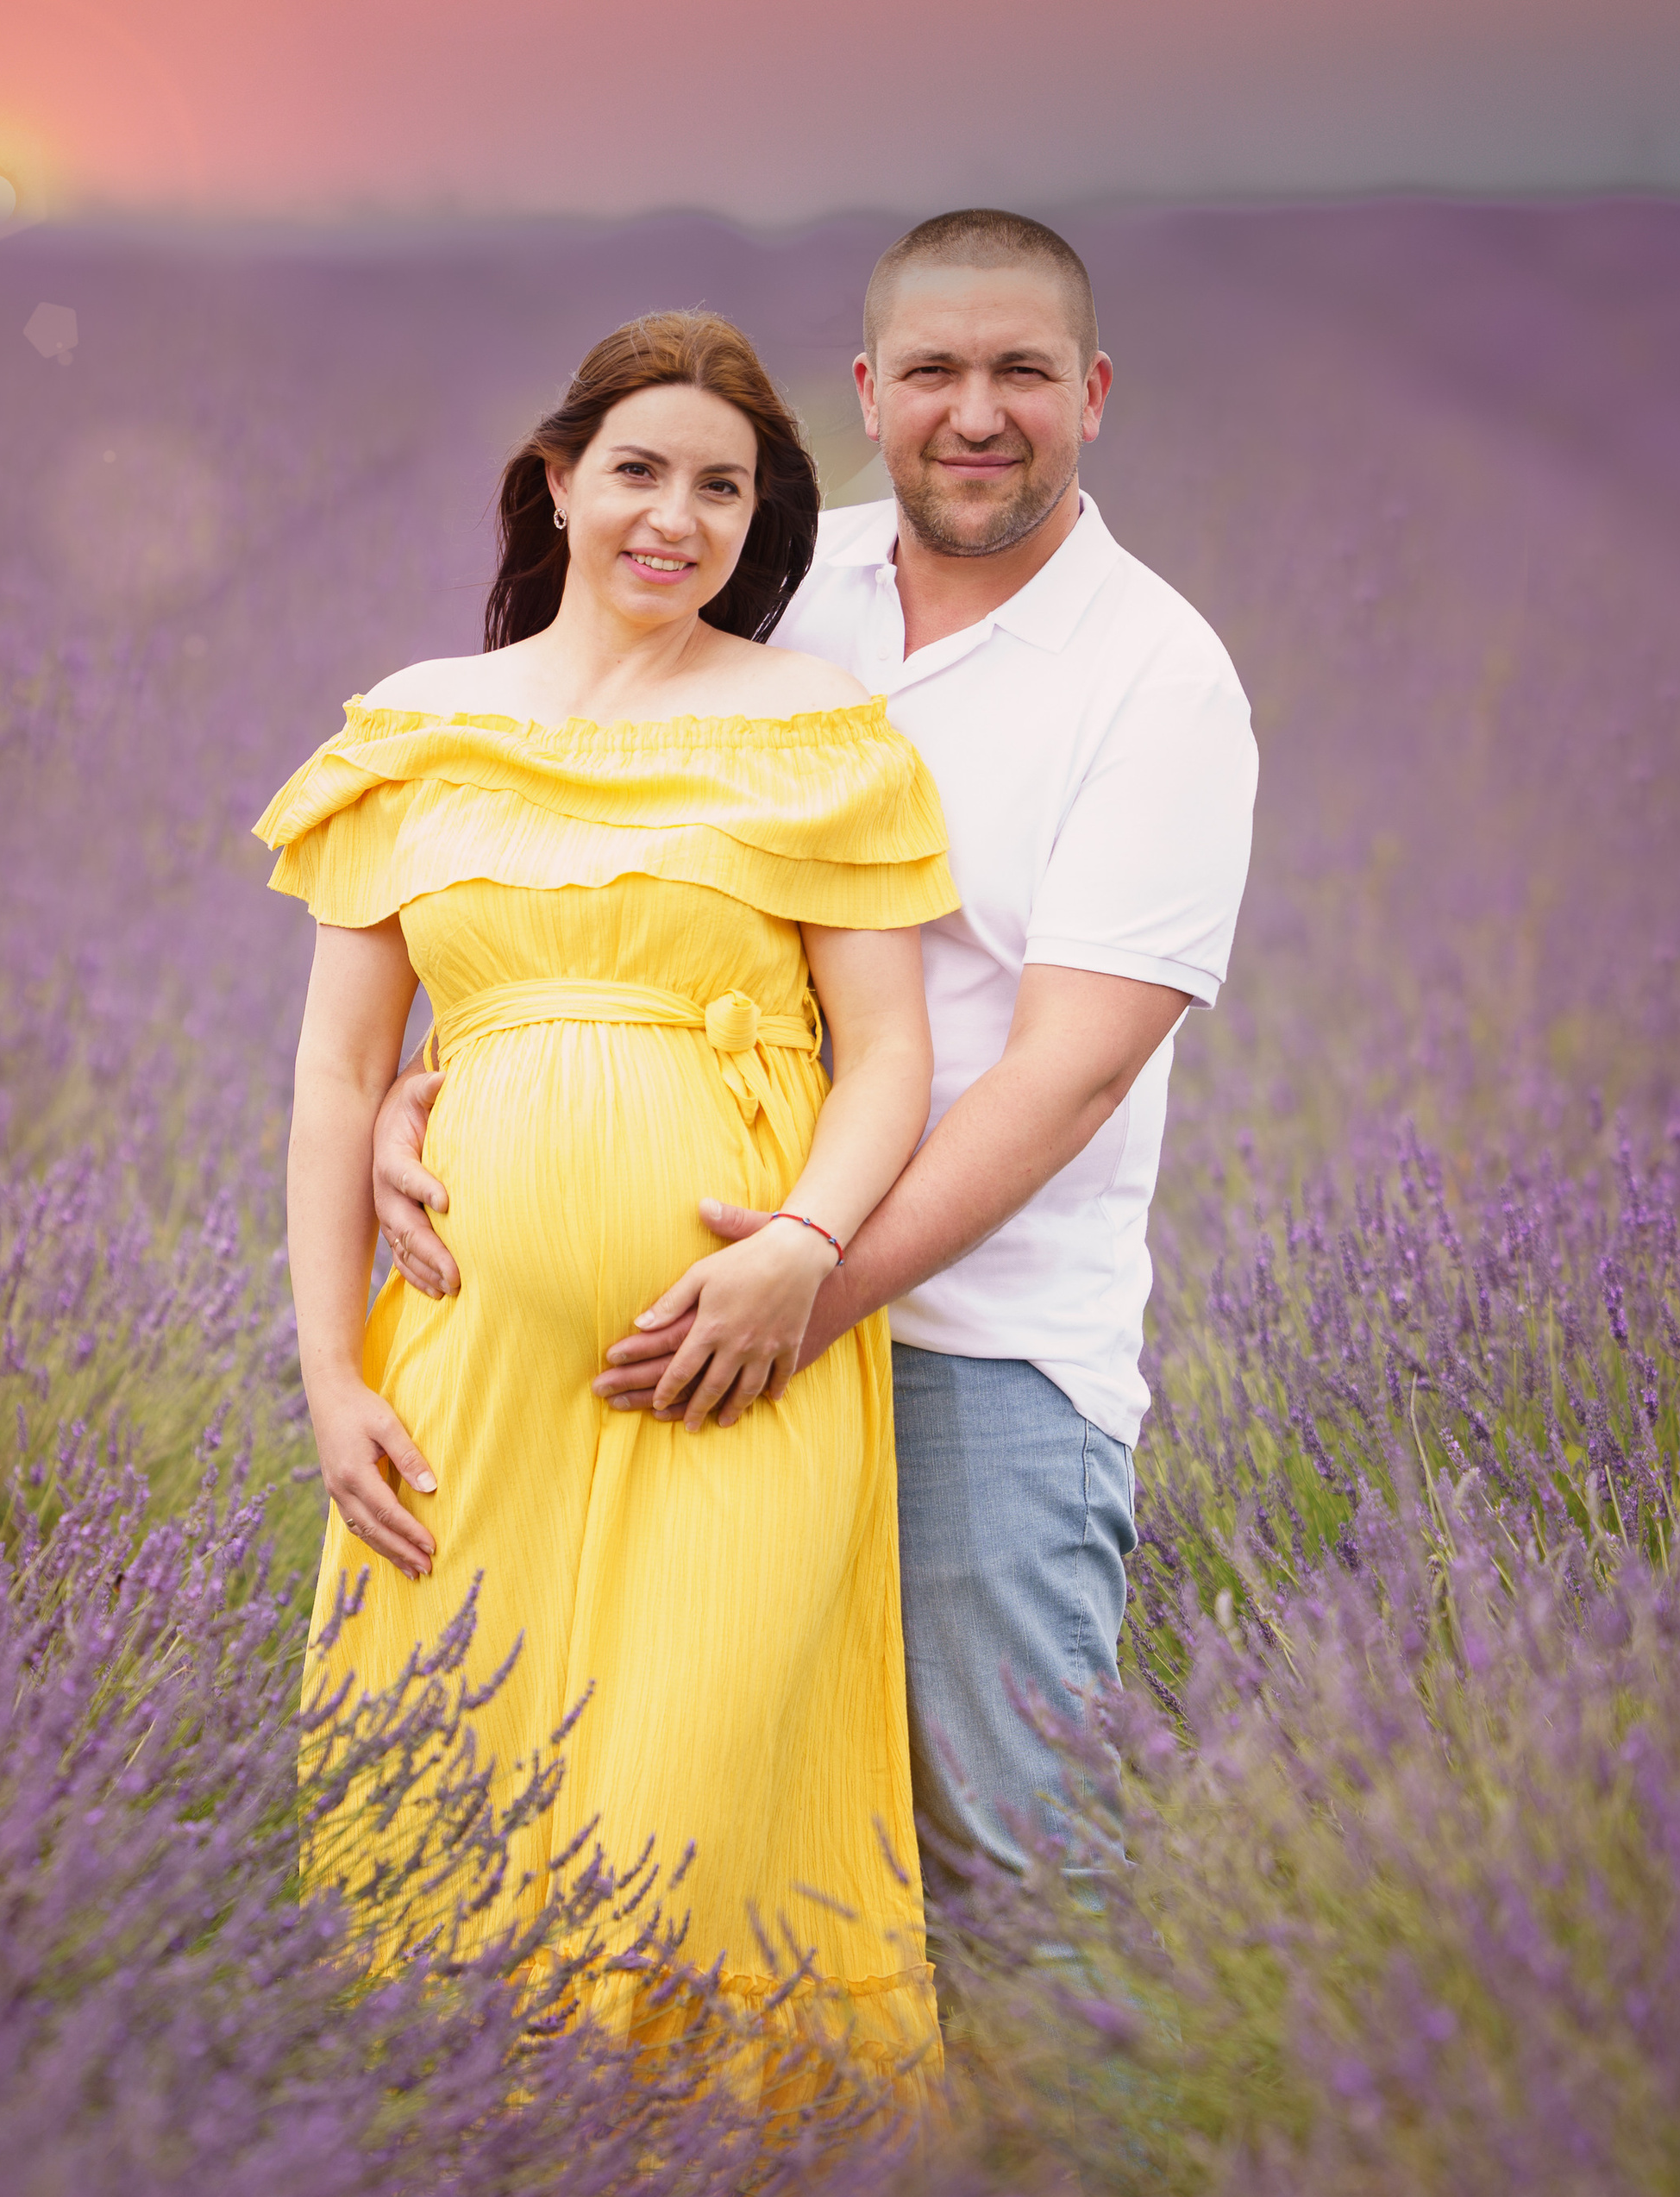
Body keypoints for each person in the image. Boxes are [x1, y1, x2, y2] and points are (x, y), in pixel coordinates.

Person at [375, 212, 1258, 1886]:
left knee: (997, 1863)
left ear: (1094, 392)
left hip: (965, 1353)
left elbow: (1065, 1072)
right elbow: (556, 842)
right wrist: (432, 1082)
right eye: (931, 370)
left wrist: (804, 1278)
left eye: (1022, 371)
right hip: (670, 1349)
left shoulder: (1155, 681)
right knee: (684, 1850)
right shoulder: (773, 583)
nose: (973, 411)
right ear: (868, 387)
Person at [257, 310, 956, 2069]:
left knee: (684, 1840)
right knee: (445, 1824)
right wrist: (331, 1376)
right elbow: (341, 1073)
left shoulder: (813, 723)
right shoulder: (419, 725)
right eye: (639, 470)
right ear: (559, 481)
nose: (678, 515)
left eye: (723, 486)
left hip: (737, 1367)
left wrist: (801, 1248)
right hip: (460, 1373)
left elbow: (883, 1054)